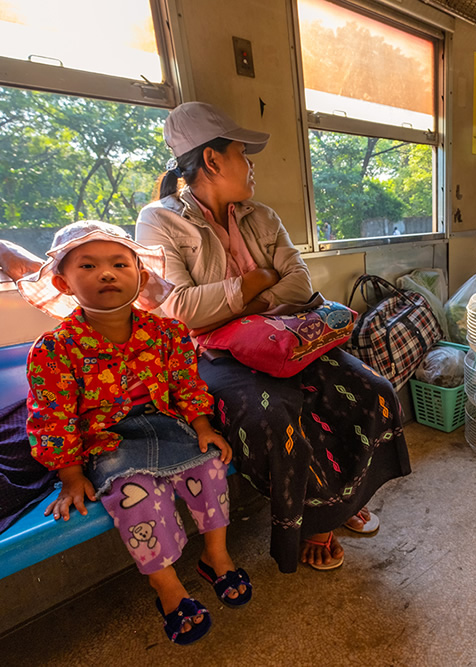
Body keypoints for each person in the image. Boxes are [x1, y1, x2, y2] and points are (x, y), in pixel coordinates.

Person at [135, 102, 410, 573]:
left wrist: (247, 300)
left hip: (283, 333)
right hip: (213, 353)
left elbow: (299, 284)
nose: (251, 165)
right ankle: (317, 518)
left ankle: (342, 500)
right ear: (213, 161)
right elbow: (179, 311)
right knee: (277, 414)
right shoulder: (159, 222)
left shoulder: (260, 215)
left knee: (373, 390)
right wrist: (254, 281)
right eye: (243, 153)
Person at [18, 221, 250, 645]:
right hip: (107, 438)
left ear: (140, 277)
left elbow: (186, 384)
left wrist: (202, 424)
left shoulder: (168, 333)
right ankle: (166, 586)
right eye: (87, 265)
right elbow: (52, 417)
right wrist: (70, 474)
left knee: (211, 468)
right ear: (62, 282)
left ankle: (215, 555)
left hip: (166, 422)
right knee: (136, 495)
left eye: (119, 263)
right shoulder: (54, 349)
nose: (107, 273)